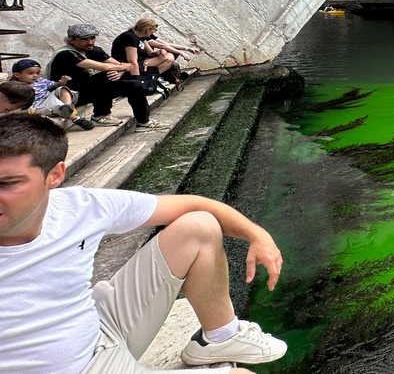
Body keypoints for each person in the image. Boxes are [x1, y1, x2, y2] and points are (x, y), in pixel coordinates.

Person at [0, 114, 287, 374]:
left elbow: (193, 203)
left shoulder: (80, 206)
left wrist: (257, 235)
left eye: (8, 183)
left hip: (94, 326)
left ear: (55, 175)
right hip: (79, 366)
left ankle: (221, 337)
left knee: (199, 225)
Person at [47, 24, 158, 129]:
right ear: (72, 40)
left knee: (134, 85)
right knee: (106, 76)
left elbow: (121, 65)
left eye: (92, 38)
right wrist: (120, 69)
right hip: (69, 94)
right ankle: (100, 115)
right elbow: (105, 67)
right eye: (84, 39)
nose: (90, 42)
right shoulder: (66, 54)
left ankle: (143, 122)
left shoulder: (94, 50)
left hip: (89, 89)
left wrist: (118, 72)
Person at [8, 59, 95, 129]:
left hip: (48, 96)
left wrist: (61, 82)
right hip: (38, 104)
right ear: (17, 75)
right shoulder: (15, 86)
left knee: (62, 89)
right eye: (30, 73)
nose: (35, 76)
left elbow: (55, 85)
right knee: (56, 106)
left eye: (37, 73)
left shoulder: (40, 80)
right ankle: (77, 119)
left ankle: (68, 106)